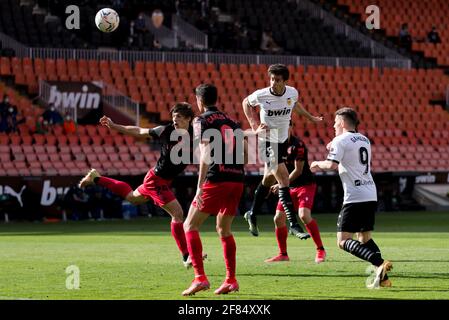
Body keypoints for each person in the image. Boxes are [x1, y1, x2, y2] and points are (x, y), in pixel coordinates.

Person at [79, 102, 201, 268]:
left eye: (178, 117)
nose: (175, 120)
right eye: (173, 117)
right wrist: (114, 125)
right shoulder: (165, 130)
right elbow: (139, 131)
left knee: (132, 198)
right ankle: (186, 255)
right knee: (178, 214)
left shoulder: (195, 133)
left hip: (161, 179)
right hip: (156, 180)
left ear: (188, 119)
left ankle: (96, 178)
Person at [310, 107, 392, 289]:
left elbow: (331, 165)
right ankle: (383, 278)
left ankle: (380, 263)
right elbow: (350, 151)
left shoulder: (340, 140)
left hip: (354, 196)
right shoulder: (365, 139)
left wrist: (316, 164)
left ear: (342, 122)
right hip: (370, 193)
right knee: (364, 238)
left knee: (342, 241)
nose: (332, 125)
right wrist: (334, 143)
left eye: (334, 122)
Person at [242, 63, 323, 238]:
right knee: (284, 177)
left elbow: (295, 105)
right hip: (267, 141)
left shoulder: (292, 93)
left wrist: (310, 118)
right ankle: (293, 224)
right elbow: (245, 103)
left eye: (277, 80)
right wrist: (254, 126)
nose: (273, 82)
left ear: (285, 81)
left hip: (282, 140)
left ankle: (252, 213)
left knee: (269, 178)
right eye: (271, 79)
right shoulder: (261, 95)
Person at [182, 84, 247, 296]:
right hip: (237, 179)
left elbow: (206, 152)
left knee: (189, 225)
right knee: (224, 229)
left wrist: (200, 186)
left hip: (216, 178)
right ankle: (231, 280)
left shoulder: (200, 120)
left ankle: (199, 278)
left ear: (199, 101)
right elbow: (245, 156)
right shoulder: (233, 122)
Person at [266, 122, 326, 263]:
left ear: (291, 128)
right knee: (278, 218)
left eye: (285, 127)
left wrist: (280, 184)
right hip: (288, 186)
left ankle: (320, 250)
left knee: (304, 215)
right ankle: (283, 254)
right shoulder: (274, 145)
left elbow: (298, 170)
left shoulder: (298, 145)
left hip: (304, 185)